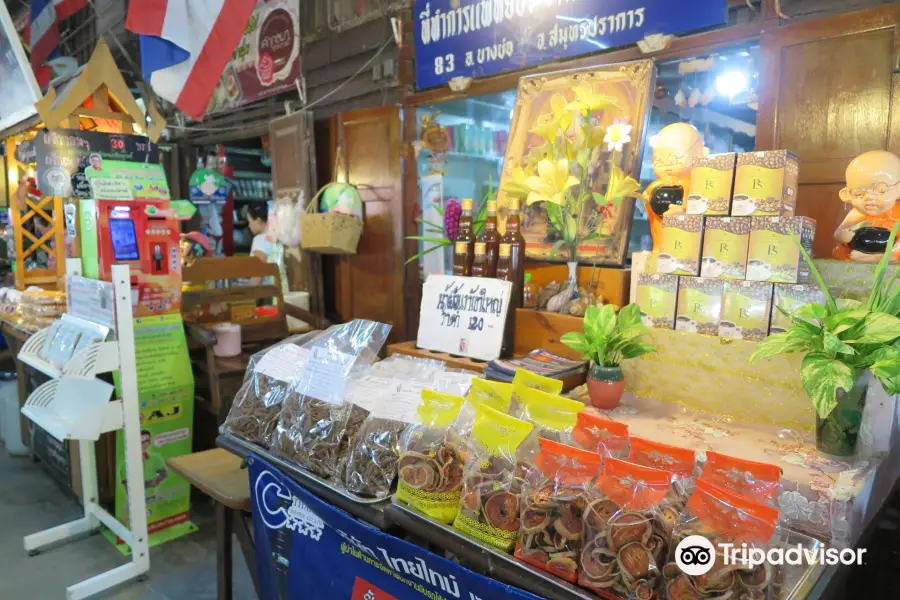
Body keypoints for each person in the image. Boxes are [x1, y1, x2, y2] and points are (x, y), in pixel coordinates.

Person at [833, 150, 900, 263]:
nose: (869, 198)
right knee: (839, 251)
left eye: (881, 191)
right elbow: (839, 233)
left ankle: (882, 258)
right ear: (846, 194)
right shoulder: (856, 214)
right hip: (860, 249)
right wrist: (845, 235)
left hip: (891, 251)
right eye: (858, 193)